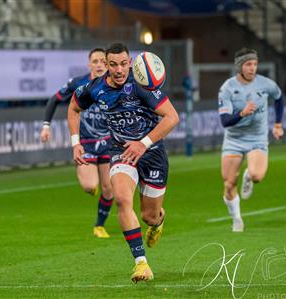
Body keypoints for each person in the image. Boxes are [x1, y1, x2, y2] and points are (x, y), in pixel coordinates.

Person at [67, 43, 179, 283]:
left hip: (152, 153)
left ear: (130, 63)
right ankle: (141, 264)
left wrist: (143, 143)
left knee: (149, 215)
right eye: (113, 64)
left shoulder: (142, 86)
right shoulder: (94, 88)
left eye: (124, 63)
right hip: (121, 151)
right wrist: (76, 142)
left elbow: (172, 117)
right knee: (122, 198)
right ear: (106, 66)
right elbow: (74, 108)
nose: (119, 70)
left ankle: (157, 222)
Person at [40, 48, 113, 238]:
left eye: (102, 62)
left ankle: (99, 226)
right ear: (89, 64)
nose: (99, 65)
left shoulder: (115, 83)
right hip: (86, 143)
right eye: (95, 61)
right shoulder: (79, 83)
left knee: (108, 188)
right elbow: (54, 100)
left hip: (108, 142)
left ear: (107, 64)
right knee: (90, 186)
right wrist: (46, 125)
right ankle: (88, 177)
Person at [218, 48, 284, 233]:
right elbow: (225, 121)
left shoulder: (265, 84)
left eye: (254, 64)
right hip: (234, 139)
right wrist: (241, 113)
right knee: (229, 183)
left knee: (257, 176)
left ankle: (248, 175)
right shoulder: (227, 88)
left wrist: (278, 124)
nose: (252, 68)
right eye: (248, 64)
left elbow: (279, 97)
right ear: (240, 66)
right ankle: (237, 220)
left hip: (257, 138)